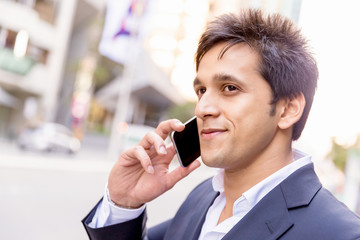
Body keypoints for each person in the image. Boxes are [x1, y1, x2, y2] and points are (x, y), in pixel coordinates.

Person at [82, 9, 360, 239]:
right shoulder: (203, 198)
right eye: (201, 90)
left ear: (288, 109)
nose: (203, 108)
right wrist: (124, 204)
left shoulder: (340, 233)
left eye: (229, 88)